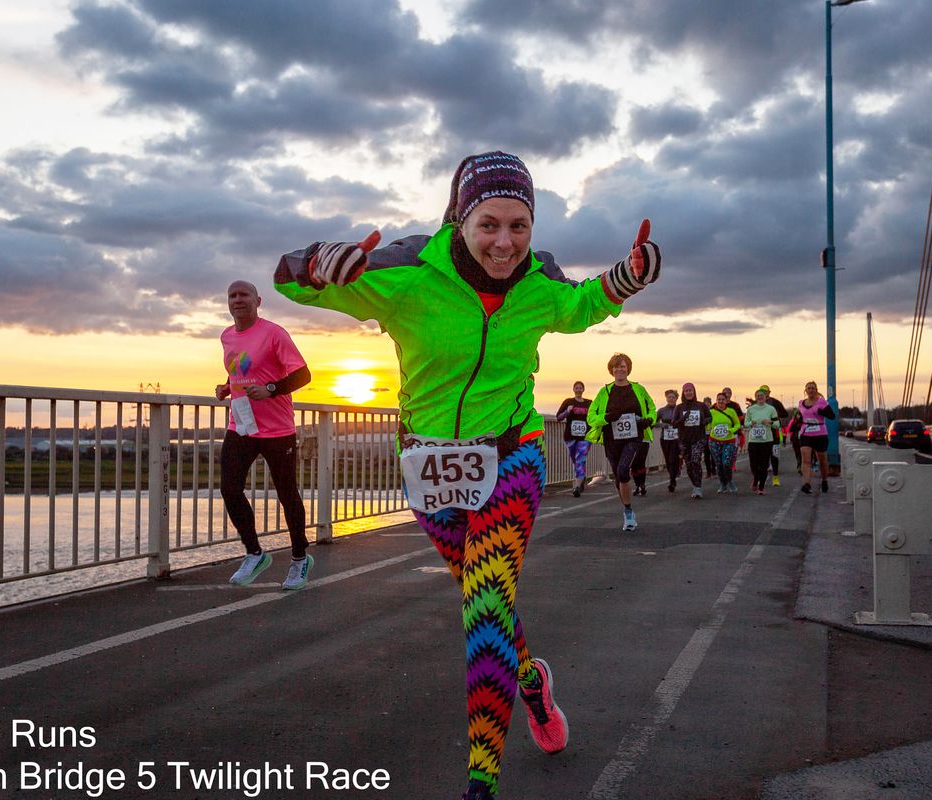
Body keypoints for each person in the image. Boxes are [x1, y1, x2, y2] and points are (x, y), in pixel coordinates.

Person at [273, 151, 661, 800]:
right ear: (460, 216)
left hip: (511, 455)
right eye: (490, 225)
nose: (506, 243)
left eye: (520, 226)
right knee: (489, 604)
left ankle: (481, 784)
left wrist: (627, 277)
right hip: (429, 466)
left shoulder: (539, 280)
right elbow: (292, 281)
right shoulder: (407, 271)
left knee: (484, 609)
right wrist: (320, 261)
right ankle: (531, 683)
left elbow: (582, 304)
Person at [215, 280, 313, 589]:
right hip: (241, 424)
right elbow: (241, 371)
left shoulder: (274, 333)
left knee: (287, 493)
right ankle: (254, 553)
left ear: (258, 301)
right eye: (232, 295)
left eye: (244, 295)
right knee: (230, 488)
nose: (238, 299)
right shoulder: (227, 336)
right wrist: (227, 387)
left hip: (277, 428)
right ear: (228, 302)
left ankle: (300, 558)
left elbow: (303, 374)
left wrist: (271, 389)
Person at [586, 353, 657, 529]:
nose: (619, 369)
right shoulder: (605, 392)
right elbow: (591, 417)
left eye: (623, 366)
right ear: (611, 370)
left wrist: (649, 419)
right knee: (619, 476)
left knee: (624, 470)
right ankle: (628, 509)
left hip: (634, 436)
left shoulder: (638, 389)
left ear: (628, 369)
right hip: (611, 439)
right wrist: (607, 417)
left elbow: (652, 408)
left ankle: (628, 512)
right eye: (616, 367)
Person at [797, 380, 836, 494]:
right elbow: (801, 416)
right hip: (806, 433)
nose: (811, 390)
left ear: (816, 390)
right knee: (806, 460)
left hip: (820, 433)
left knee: (822, 460)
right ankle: (806, 484)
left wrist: (822, 412)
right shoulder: (801, 403)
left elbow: (832, 416)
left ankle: (824, 480)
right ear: (806, 391)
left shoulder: (822, 402)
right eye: (809, 388)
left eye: (813, 388)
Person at [676, 382, 712, 499]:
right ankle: (695, 484)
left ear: (694, 391)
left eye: (690, 390)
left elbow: (709, 417)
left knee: (696, 460)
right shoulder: (679, 407)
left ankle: (698, 487)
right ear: (683, 393)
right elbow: (674, 423)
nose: (688, 393)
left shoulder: (701, 406)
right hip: (684, 439)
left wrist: (703, 421)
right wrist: (683, 419)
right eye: (686, 391)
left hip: (698, 438)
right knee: (689, 464)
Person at [556, 382, 592, 496]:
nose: (578, 390)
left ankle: (576, 487)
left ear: (583, 389)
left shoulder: (589, 403)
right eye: (576, 388)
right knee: (575, 460)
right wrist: (567, 411)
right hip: (570, 436)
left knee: (580, 460)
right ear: (573, 389)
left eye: (580, 388)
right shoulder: (568, 402)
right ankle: (581, 478)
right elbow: (559, 418)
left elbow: (594, 417)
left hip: (585, 437)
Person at [743, 387, 780, 494]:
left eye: (762, 396)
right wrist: (751, 424)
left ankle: (761, 487)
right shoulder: (751, 409)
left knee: (764, 465)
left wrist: (770, 422)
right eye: (758, 396)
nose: (760, 397)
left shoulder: (771, 409)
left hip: (767, 441)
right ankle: (755, 479)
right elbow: (745, 424)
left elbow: (777, 424)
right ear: (755, 398)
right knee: (753, 465)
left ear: (765, 397)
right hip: (753, 441)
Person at [708, 391, 742, 493]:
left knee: (726, 463)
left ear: (726, 401)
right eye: (719, 399)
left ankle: (730, 481)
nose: (721, 401)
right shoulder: (712, 412)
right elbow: (707, 423)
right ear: (716, 401)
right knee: (718, 464)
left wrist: (731, 430)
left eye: (723, 399)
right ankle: (723, 484)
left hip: (729, 440)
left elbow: (737, 424)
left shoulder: (731, 411)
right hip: (714, 441)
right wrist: (709, 429)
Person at [761, 385, 789, 487]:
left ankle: (775, 477)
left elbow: (785, 414)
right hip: (761, 433)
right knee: (762, 457)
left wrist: (774, 418)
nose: (763, 394)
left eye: (765, 392)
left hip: (774, 432)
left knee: (774, 456)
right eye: (761, 392)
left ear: (769, 392)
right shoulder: (756, 404)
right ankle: (760, 479)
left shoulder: (775, 402)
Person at [656, 389, 683, 492]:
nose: (671, 399)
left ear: (676, 398)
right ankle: (673, 475)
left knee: (673, 459)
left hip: (677, 438)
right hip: (665, 438)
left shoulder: (680, 409)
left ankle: (672, 481)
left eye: (673, 397)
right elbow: (654, 422)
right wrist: (663, 425)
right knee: (668, 460)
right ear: (666, 398)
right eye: (669, 397)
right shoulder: (662, 410)